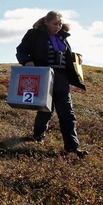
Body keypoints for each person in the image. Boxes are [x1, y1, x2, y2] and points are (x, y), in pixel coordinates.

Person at [16, 11, 88, 158]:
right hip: (44, 75)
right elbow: (21, 50)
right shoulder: (34, 34)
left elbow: (65, 55)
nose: (58, 26)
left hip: (62, 77)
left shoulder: (62, 36)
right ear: (46, 22)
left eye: (60, 24)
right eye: (55, 23)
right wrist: (27, 61)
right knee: (45, 109)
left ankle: (72, 148)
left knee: (67, 113)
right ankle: (37, 137)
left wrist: (74, 58)